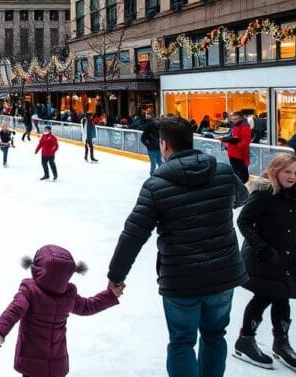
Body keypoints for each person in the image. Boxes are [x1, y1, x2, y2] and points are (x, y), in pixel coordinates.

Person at [106, 116, 249, 377]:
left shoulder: (155, 185)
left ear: (164, 145)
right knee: (215, 335)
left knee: (183, 341)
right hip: (223, 273)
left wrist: (116, 276)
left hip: (182, 279)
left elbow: (133, 235)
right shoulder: (223, 172)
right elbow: (242, 198)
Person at [232, 154, 296, 374]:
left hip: (286, 257)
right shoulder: (264, 193)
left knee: (283, 297)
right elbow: (243, 221)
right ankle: (245, 340)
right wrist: (262, 249)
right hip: (264, 258)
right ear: (275, 170)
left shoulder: (293, 196)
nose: (292, 176)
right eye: (287, 171)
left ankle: (281, 342)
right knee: (264, 296)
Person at [0, 245, 121, 377]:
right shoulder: (69, 296)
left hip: (31, 363)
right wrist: (110, 295)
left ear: (37, 269)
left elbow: (14, 311)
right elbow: (88, 306)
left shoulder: (29, 292)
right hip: (57, 364)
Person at [222, 112, 252, 183]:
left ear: (241, 118)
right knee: (236, 172)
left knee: (243, 174)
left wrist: (234, 143)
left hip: (240, 155)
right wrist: (229, 140)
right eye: (233, 119)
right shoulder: (234, 126)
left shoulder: (245, 127)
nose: (234, 121)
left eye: (236, 119)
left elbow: (245, 142)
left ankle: (243, 188)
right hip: (232, 153)